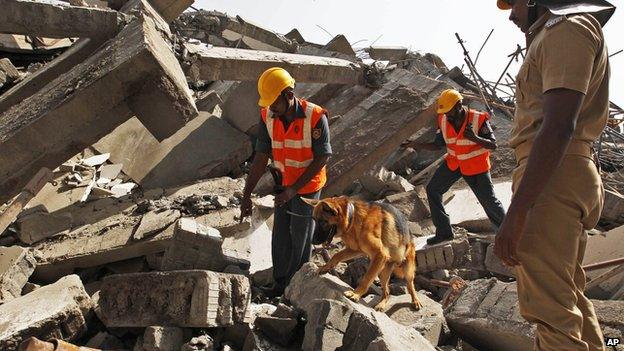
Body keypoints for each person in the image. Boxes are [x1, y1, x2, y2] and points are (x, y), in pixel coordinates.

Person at [494, 0, 615, 350]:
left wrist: (517, 213)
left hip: (552, 176)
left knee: (548, 310)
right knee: (568, 298)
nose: (511, 14)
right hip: (560, 173)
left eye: (513, 3)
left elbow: (559, 125)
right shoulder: (559, 32)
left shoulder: (568, 29)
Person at [239, 67, 332, 297]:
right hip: (283, 185)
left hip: (307, 188)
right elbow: (261, 157)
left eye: (275, 102)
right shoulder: (268, 117)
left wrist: (294, 191)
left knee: (301, 238)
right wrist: (247, 194)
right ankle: (279, 285)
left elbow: (323, 157)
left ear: (289, 94)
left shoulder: (316, 116)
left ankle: (296, 290)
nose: (271, 108)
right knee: (280, 235)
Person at [402, 89, 506, 245]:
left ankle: (506, 234)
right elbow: (438, 145)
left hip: (475, 166)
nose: (447, 116)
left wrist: (475, 137)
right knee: (433, 190)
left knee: (489, 201)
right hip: (454, 163)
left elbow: (493, 144)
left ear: (459, 105)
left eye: (449, 112)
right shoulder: (443, 119)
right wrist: (415, 144)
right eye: (444, 112)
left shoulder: (478, 119)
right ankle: (444, 233)